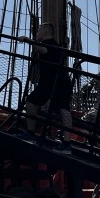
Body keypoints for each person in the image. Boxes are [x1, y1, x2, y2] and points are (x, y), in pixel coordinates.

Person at [22, 23, 73, 152]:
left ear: (45, 32)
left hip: (54, 82)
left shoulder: (50, 44)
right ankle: (67, 144)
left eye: (39, 30)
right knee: (63, 110)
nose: (37, 33)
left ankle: (30, 133)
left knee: (32, 102)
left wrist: (28, 40)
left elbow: (43, 50)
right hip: (58, 82)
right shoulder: (56, 45)